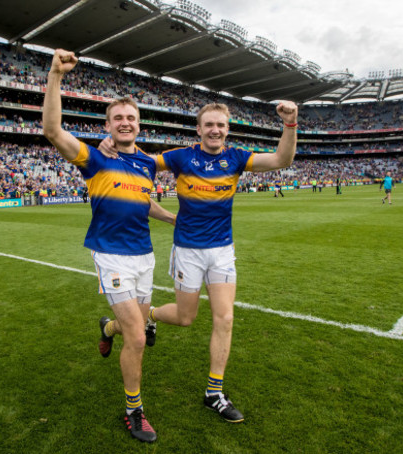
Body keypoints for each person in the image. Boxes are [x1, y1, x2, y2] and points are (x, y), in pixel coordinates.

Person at [100, 100, 299, 424]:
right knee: (185, 317)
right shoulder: (181, 157)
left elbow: (281, 159)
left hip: (221, 250)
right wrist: (109, 146)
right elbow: (139, 163)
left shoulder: (236, 158)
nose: (215, 130)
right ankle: (149, 315)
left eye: (221, 125)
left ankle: (214, 392)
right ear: (199, 129)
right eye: (209, 125)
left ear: (227, 129)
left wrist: (290, 124)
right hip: (188, 251)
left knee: (225, 318)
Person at [42, 48, 175, 444]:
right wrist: (55, 77)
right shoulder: (95, 160)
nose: (125, 122)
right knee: (138, 337)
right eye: (118, 118)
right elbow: (52, 131)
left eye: (131, 117)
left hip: (144, 255)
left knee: (137, 320)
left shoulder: (148, 164)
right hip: (111, 255)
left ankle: (107, 327)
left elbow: (142, 200)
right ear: (109, 124)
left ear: (138, 124)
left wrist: (171, 218)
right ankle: (134, 411)